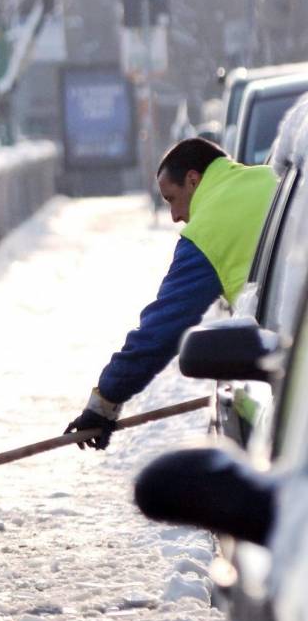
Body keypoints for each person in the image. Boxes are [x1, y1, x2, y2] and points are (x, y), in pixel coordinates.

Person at [65, 137, 277, 448]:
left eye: (172, 199)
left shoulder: (207, 232)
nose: (175, 216)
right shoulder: (274, 179)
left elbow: (161, 330)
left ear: (193, 179)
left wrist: (104, 403)